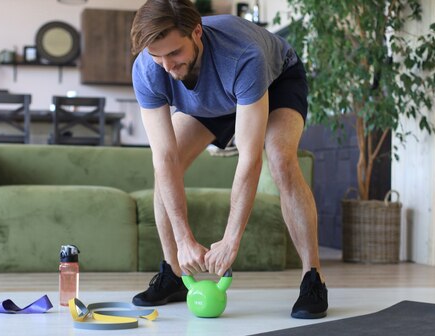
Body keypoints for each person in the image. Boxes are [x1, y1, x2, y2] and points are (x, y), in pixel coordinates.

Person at [130, 0, 327, 319]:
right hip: (212, 98)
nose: (167, 65)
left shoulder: (243, 55)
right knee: (170, 164)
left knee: (280, 158)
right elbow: (164, 159)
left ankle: (312, 278)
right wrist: (184, 241)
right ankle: (174, 273)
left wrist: (231, 239)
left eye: (175, 53)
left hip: (274, 83)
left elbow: (250, 158)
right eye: (158, 56)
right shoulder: (148, 69)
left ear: (197, 33)